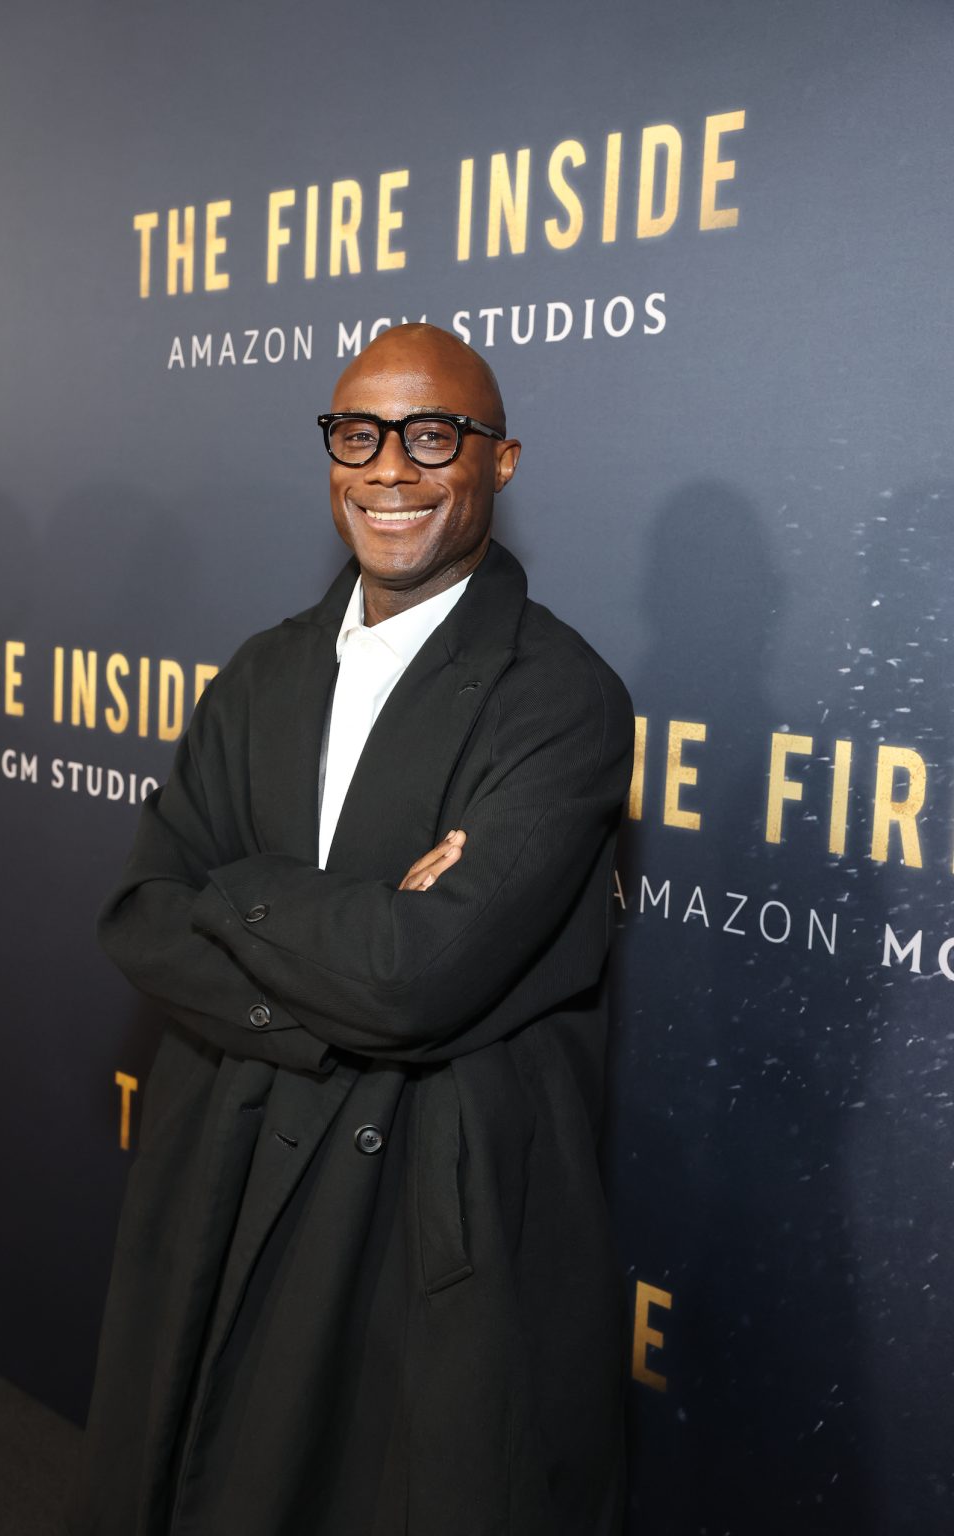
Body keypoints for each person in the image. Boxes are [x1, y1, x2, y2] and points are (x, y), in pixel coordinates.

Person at [68, 323, 635, 1536]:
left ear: (500, 460)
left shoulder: (560, 697)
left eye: (433, 435)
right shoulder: (260, 672)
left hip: (418, 1198)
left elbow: (411, 981)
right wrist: (338, 947)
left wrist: (238, 890)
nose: (388, 467)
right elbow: (142, 913)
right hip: (225, 1155)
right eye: (358, 433)